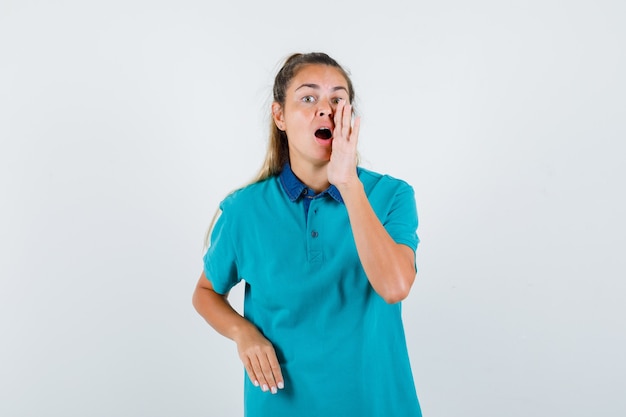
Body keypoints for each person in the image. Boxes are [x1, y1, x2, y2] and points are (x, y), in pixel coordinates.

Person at [192, 52, 422, 416]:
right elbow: (206, 292)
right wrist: (243, 334)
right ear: (279, 116)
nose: (325, 108)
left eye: (337, 99)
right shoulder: (243, 210)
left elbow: (395, 286)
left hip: (377, 404)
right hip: (281, 405)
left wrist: (347, 183)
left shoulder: (391, 196)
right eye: (308, 97)